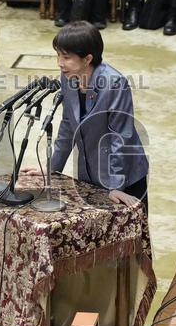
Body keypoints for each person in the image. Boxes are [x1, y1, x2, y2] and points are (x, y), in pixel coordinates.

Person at [40, 21, 149, 205]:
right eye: (58, 55)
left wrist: (116, 186)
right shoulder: (69, 78)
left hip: (123, 177)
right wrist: (52, 167)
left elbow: (120, 136)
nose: (60, 63)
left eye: (66, 57)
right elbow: (68, 126)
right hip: (89, 172)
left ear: (87, 59)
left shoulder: (114, 84)